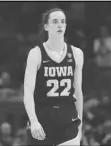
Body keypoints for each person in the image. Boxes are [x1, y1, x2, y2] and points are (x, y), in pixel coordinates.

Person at [23, 8, 84, 146]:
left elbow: (78, 92)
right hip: (43, 118)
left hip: (68, 119)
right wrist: (33, 121)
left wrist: (80, 124)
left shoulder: (76, 53)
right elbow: (28, 93)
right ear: (46, 26)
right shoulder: (36, 54)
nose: (60, 25)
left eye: (63, 22)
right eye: (55, 22)